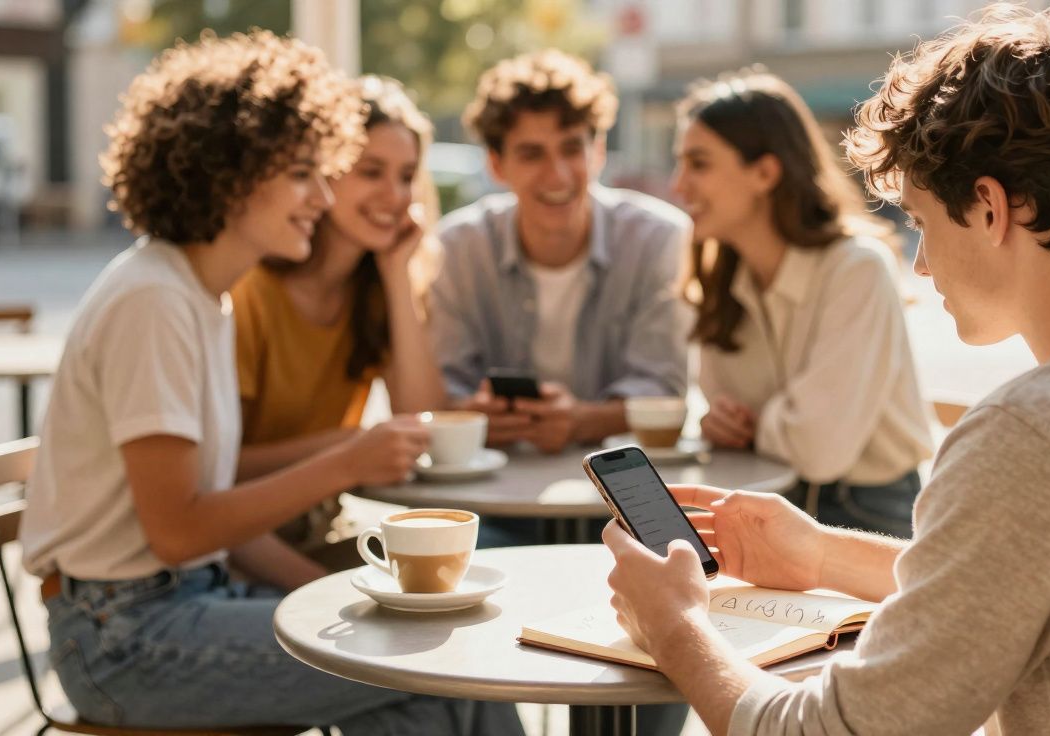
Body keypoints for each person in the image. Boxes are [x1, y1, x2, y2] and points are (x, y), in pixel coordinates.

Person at [601, 5, 1050, 735]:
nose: (922, 265)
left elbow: (833, 732)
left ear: (989, 208)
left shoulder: (1034, 432)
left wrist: (674, 625)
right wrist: (822, 554)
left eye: (922, 222)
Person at [18, 32, 521, 735]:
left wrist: (331, 577)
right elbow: (178, 531)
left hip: (184, 603)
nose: (323, 197)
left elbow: (203, 518)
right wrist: (344, 461)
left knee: (435, 664)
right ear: (230, 173)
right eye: (302, 174)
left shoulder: (201, 296)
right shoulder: (155, 301)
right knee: (424, 662)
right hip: (124, 639)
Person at [674, 70, 933, 538]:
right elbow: (725, 409)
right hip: (761, 495)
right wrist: (720, 425)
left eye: (699, 164)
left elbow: (819, 449)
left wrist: (753, 429)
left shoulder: (858, 268)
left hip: (868, 513)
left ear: (765, 173)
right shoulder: (721, 277)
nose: (679, 185)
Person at [430, 48, 691, 456]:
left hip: (618, 480)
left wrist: (580, 421)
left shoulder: (658, 240)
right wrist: (474, 413)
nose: (558, 175)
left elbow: (662, 389)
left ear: (598, 151)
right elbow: (445, 390)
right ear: (496, 165)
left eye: (571, 149)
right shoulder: (458, 248)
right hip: (493, 480)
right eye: (532, 154)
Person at [232, 75, 446, 567]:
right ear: (324, 175)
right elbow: (216, 473)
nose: (395, 196)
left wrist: (397, 275)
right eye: (371, 172)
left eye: (407, 176)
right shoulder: (250, 292)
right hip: (244, 544)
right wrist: (344, 449)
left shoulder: (376, 291)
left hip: (322, 526)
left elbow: (424, 419)